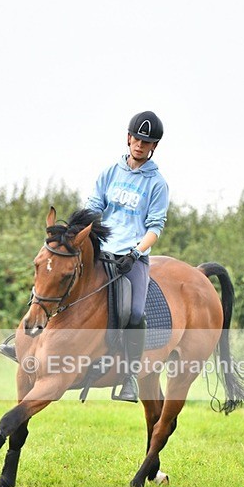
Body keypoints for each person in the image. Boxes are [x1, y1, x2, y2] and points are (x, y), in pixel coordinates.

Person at [86, 110, 169, 402]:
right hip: (102, 250)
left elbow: (155, 227)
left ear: (154, 146)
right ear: (128, 138)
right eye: (137, 139)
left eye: (147, 142)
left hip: (131, 257)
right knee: (59, 277)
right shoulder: (109, 173)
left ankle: (130, 376)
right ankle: (27, 343)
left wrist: (136, 252)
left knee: (134, 312)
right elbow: (93, 207)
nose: (140, 145)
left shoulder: (157, 183)